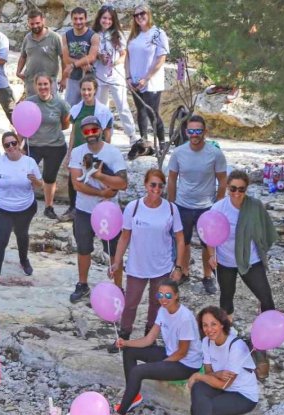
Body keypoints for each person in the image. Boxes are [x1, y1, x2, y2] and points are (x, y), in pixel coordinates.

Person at [99, 279, 203, 415]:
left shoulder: (185, 318)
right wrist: (125, 342)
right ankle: (132, 396)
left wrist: (162, 366)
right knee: (129, 351)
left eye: (168, 294)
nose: (163, 298)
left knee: (138, 371)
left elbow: (182, 352)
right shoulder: (163, 310)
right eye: (160, 294)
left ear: (176, 296)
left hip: (186, 364)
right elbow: (149, 339)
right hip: (170, 354)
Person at [110, 169, 185, 344]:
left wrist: (179, 267)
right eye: (153, 184)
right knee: (130, 304)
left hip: (162, 266)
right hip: (137, 266)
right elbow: (125, 236)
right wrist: (116, 261)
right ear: (145, 185)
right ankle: (124, 336)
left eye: (160, 185)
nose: (156, 189)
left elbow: (180, 239)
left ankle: (149, 337)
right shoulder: (133, 207)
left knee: (157, 304)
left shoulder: (171, 209)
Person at [185, 306, 259, 415]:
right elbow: (210, 372)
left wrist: (198, 375)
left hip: (243, 396)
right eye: (205, 325)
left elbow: (222, 384)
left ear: (222, 324)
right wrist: (217, 374)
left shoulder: (237, 346)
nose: (209, 329)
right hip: (225, 388)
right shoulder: (206, 342)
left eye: (213, 324)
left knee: (198, 407)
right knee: (199, 390)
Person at [68, 115, 128, 304]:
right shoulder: (77, 152)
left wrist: (100, 176)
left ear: (101, 130)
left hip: (109, 212)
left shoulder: (113, 153)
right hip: (85, 210)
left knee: (113, 252)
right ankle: (82, 284)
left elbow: (123, 183)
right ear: (82, 133)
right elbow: (77, 184)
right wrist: (103, 193)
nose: (91, 134)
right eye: (87, 131)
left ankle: (118, 288)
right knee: (83, 248)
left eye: (94, 129)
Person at [168, 115, 228, 294]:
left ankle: (207, 276)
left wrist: (217, 205)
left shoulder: (215, 153)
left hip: (207, 207)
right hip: (183, 205)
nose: (194, 135)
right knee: (183, 242)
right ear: (186, 132)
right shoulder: (178, 153)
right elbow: (171, 179)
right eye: (191, 131)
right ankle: (184, 272)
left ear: (204, 132)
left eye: (198, 131)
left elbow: (223, 181)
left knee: (207, 244)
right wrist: (170, 205)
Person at [208, 170, 278, 318]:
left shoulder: (254, 206)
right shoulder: (218, 208)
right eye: (233, 188)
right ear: (227, 187)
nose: (237, 193)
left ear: (246, 189)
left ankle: (267, 332)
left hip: (250, 259)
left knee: (266, 298)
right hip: (225, 260)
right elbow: (209, 235)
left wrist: (262, 247)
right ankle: (227, 332)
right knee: (226, 298)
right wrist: (211, 256)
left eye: (241, 189)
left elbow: (265, 227)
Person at [0, 131, 44, 288]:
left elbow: (40, 185)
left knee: (22, 235)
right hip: (2, 208)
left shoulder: (29, 162)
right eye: (7, 145)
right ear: (4, 147)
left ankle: (24, 260)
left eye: (14, 143)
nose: (11, 147)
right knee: (0, 241)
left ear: (18, 143)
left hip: (25, 207)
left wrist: (35, 181)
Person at [65, 76, 115, 221]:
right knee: (73, 180)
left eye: (89, 89)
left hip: (95, 152)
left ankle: (97, 210)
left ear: (95, 91)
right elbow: (74, 132)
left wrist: (106, 154)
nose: (86, 93)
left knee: (94, 179)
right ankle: (72, 208)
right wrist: (69, 153)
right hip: (78, 151)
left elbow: (107, 134)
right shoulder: (76, 109)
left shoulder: (103, 111)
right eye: (83, 89)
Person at [126, 5, 170, 157]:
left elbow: (161, 57)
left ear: (148, 14)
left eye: (142, 13)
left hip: (151, 82)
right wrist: (128, 77)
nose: (139, 17)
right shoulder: (134, 35)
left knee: (153, 113)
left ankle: (162, 143)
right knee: (141, 112)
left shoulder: (157, 33)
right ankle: (144, 142)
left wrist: (147, 77)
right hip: (135, 81)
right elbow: (128, 57)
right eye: (136, 15)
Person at [26, 73, 70, 220]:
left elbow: (65, 123)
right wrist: (19, 145)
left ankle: (49, 207)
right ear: (35, 86)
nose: (43, 87)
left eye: (46, 84)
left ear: (51, 85)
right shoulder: (29, 102)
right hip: (33, 145)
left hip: (55, 146)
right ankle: (26, 205)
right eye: (40, 84)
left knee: (49, 177)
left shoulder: (60, 103)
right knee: (26, 176)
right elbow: (22, 125)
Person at [93, 5, 137, 144]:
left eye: (110, 19)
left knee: (122, 105)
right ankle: (104, 135)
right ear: (100, 18)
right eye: (104, 18)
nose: (107, 21)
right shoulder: (94, 34)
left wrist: (116, 62)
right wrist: (99, 56)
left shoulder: (117, 34)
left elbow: (124, 55)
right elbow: (90, 54)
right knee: (100, 107)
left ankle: (132, 136)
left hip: (115, 75)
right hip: (99, 75)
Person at [17, 8, 64, 98]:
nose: (35, 26)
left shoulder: (55, 37)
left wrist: (64, 78)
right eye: (32, 24)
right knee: (32, 110)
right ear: (28, 23)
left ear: (43, 21)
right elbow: (23, 56)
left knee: (50, 109)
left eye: (37, 23)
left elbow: (63, 58)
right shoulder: (27, 38)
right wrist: (18, 72)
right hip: (31, 82)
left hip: (49, 83)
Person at [61, 6, 97, 106]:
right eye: (75, 19)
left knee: (88, 107)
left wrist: (73, 65)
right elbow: (66, 59)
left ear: (85, 19)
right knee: (70, 107)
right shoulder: (66, 36)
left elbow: (92, 57)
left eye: (81, 18)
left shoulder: (93, 36)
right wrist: (81, 64)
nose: (78, 21)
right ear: (71, 19)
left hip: (89, 78)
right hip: (73, 77)